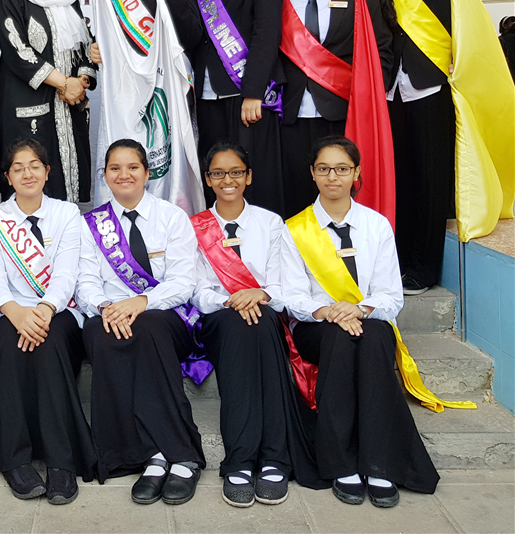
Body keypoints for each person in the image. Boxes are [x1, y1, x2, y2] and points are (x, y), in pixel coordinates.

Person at [282, 135, 439, 507]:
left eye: (341, 168)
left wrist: (359, 309)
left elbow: (391, 296)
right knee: (339, 340)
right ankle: (341, 464)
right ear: (312, 173)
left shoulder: (376, 225)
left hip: (368, 319)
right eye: (324, 168)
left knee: (372, 341)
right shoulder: (294, 229)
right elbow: (291, 296)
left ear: (356, 173)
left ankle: (378, 464)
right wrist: (329, 312)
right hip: (316, 325)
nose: (332, 176)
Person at [190, 142, 324, 508]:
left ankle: (268, 458)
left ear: (248, 177)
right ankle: (246, 457)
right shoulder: (194, 227)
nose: (228, 180)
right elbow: (196, 290)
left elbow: (283, 285)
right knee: (243, 324)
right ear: (208, 179)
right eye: (219, 173)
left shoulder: (271, 223)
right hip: (217, 319)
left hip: (265, 316)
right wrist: (232, 300)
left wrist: (259, 294)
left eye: (236, 172)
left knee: (259, 322)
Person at [76, 139, 210, 506]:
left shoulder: (172, 217)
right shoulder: (91, 225)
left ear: (147, 173)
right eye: (115, 168)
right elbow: (85, 281)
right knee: (100, 333)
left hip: (167, 314)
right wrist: (106, 307)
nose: (124, 175)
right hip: (111, 312)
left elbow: (183, 283)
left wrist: (142, 302)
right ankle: (144, 455)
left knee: (148, 328)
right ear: (105, 175)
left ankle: (181, 455)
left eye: (133, 167)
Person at [362, 0, 476, 295]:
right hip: (391, 88)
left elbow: (468, 18)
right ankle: (401, 260)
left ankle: (425, 268)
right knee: (402, 179)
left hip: (433, 83)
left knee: (431, 180)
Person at [0, 138, 94, 504]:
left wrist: (43, 311)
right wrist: (15, 313)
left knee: (52, 342)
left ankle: (61, 460)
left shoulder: (67, 213)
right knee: (10, 343)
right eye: (18, 168)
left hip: (58, 309)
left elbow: (67, 273)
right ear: (8, 177)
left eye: (34, 166)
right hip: (9, 309)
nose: (27, 173)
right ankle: (14, 458)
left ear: (47, 172)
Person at [88, 0, 206, 214]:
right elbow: (104, 35)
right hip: (125, 95)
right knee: (128, 157)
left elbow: (193, 38)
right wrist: (96, 49)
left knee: (168, 162)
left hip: (169, 88)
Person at [280, 0, 393, 218]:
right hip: (292, 115)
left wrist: (371, 96)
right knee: (297, 192)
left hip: (344, 112)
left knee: (342, 191)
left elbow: (382, 49)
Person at [184, 0, 285, 215]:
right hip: (206, 96)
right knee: (214, 173)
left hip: (247, 95)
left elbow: (266, 32)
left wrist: (254, 92)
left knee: (253, 174)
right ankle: (217, 240)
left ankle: (263, 240)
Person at [0, 0, 96, 204]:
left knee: (69, 189)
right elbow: (18, 52)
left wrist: (81, 81)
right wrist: (64, 83)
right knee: (33, 177)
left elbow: (85, 44)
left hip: (70, 106)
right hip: (31, 108)